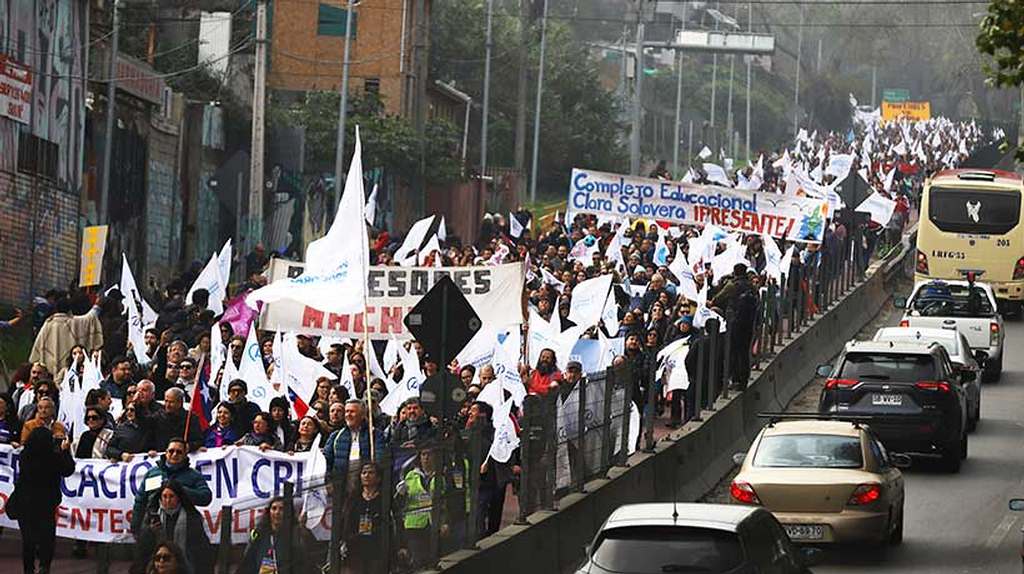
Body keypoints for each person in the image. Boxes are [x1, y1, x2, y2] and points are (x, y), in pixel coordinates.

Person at [10, 426, 75, 574]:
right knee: (47, 537)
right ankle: (44, 567)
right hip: (46, 504)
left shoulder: (25, 456)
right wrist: (65, 451)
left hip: (25, 502)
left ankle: (28, 569)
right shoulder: (53, 457)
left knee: (28, 539)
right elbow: (68, 469)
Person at [132, 438, 213, 537]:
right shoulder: (152, 473)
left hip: (185, 529)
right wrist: (135, 528)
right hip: (154, 526)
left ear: (185, 454)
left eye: (179, 452)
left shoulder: (193, 475)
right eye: (171, 451)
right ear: (166, 452)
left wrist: (180, 490)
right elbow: (140, 501)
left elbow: (206, 497)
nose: (174, 454)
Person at [130, 481, 213, 574]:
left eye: (171, 496)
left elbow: (201, 550)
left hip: (186, 567)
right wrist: (150, 532)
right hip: (157, 566)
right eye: (164, 496)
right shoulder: (152, 516)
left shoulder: (191, 517)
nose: (168, 500)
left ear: (178, 497)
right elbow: (142, 549)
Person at [323, 399, 385, 492]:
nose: (348, 415)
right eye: (347, 411)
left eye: (352, 412)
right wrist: (328, 482)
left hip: (366, 488)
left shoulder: (375, 435)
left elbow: (379, 459)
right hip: (341, 488)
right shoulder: (336, 436)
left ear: (362, 414)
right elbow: (326, 460)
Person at [237, 497, 312, 574]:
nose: (277, 512)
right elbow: (248, 560)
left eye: (281, 509)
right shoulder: (259, 533)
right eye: (274, 508)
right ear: (269, 512)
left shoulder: (295, 535)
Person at [341, 463, 393, 574]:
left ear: (378, 477)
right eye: (364, 472)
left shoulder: (385, 499)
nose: (366, 475)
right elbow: (346, 522)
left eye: (371, 472)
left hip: (377, 549)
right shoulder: (354, 499)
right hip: (356, 549)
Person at [149, 388, 203, 453]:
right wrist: (151, 449)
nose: (167, 405)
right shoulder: (158, 417)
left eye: (171, 402)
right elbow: (150, 437)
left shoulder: (190, 418)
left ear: (180, 402)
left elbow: (198, 440)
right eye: (166, 401)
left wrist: (190, 446)